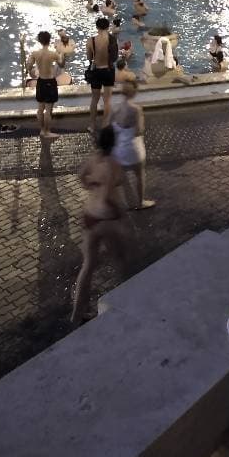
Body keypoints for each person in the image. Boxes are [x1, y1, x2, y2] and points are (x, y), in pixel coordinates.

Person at [71, 127, 130, 326]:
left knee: (87, 266)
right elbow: (107, 197)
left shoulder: (92, 160)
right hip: (106, 219)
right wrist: (119, 213)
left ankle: (76, 314)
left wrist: (91, 186)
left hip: (89, 217)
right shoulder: (113, 164)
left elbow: (81, 177)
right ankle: (126, 304)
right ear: (113, 143)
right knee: (121, 261)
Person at [110, 81, 155, 211]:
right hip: (133, 148)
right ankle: (140, 202)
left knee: (118, 177)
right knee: (140, 175)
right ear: (134, 92)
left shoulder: (115, 107)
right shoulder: (136, 109)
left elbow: (111, 127)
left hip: (119, 148)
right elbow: (139, 131)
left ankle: (110, 202)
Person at [26, 31, 64, 138]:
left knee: (40, 108)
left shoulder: (35, 53)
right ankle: (47, 132)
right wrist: (62, 54)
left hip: (41, 81)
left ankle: (42, 130)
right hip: (50, 82)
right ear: (49, 40)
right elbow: (61, 65)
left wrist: (30, 70)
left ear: (39, 41)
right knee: (48, 109)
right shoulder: (53, 54)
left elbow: (29, 67)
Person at [86, 17, 119, 134]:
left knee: (94, 99)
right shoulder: (112, 39)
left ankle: (92, 125)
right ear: (108, 27)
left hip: (96, 71)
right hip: (109, 71)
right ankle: (105, 125)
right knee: (107, 100)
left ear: (97, 27)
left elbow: (89, 58)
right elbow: (115, 57)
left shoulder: (91, 40)